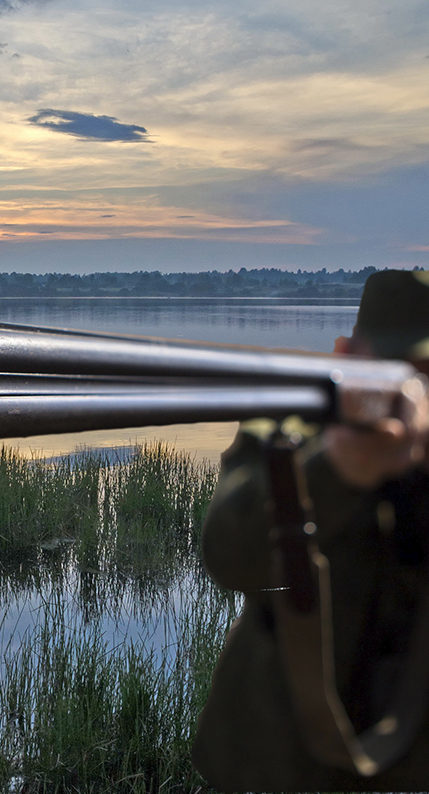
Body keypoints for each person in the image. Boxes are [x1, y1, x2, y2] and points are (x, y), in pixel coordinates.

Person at [192, 269, 429, 791]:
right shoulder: (290, 427)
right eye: (393, 367)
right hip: (273, 764)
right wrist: (336, 468)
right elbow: (230, 555)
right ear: (345, 355)